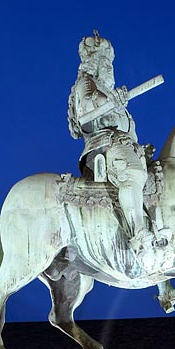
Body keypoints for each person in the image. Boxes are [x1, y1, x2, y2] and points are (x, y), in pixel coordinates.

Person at [67, 32, 153, 248]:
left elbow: (128, 129)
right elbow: (87, 110)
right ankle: (139, 238)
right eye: (105, 63)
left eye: (110, 64)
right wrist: (110, 101)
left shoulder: (111, 93)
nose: (109, 69)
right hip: (104, 146)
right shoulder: (86, 84)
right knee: (131, 174)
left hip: (126, 146)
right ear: (93, 64)